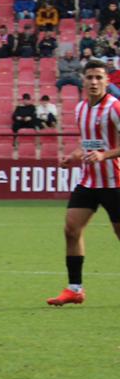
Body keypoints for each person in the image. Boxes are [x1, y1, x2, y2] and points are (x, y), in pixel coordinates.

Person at [50, 60, 120, 305]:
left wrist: (105, 155)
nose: (93, 82)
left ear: (107, 81)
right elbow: (89, 143)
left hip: (115, 182)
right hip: (89, 181)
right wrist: (74, 156)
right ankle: (75, 289)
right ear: (83, 80)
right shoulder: (80, 109)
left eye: (98, 77)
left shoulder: (114, 108)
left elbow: (107, 147)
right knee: (71, 229)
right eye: (89, 77)